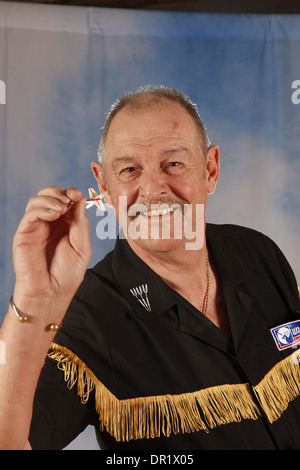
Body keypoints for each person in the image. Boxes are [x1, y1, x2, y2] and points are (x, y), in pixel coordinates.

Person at [0, 86, 300, 450]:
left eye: (173, 163)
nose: (154, 188)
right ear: (105, 186)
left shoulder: (258, 252)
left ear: (210, 169)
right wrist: (33, 301)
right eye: (129, 169)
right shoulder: (87, 317)